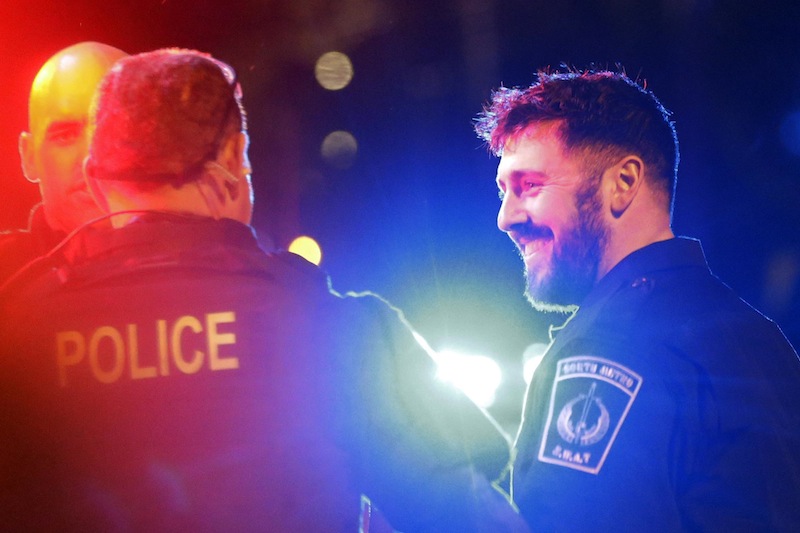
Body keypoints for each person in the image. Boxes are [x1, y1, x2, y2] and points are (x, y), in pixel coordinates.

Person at [0, 48, 523, 532]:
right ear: (231, 157)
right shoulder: (336, 325)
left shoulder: (17, 328)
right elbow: (467, 514)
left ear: (95, 176)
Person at [474, 68, 800, 530]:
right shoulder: (763, 340)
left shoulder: (610, 346)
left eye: (531, 186)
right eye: (503, 190)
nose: (506, 218)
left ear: (623, 182)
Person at [0, 41, 128, 285]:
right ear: (29, 157)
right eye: (66, 135)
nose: (92, 158)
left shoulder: (208, 260)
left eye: (115, 130)